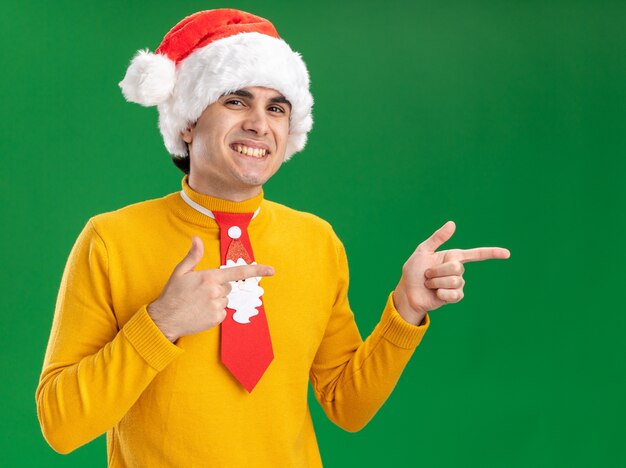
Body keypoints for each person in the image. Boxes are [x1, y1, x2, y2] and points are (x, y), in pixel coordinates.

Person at [36, 8, 510, 467]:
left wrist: (406, 311)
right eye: (235, 100)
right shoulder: (111, 240)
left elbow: (347, 405)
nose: (259, 123)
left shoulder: (317, 241)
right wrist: (161, 322)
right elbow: (61, 425)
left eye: (277, 107)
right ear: (187, 120)